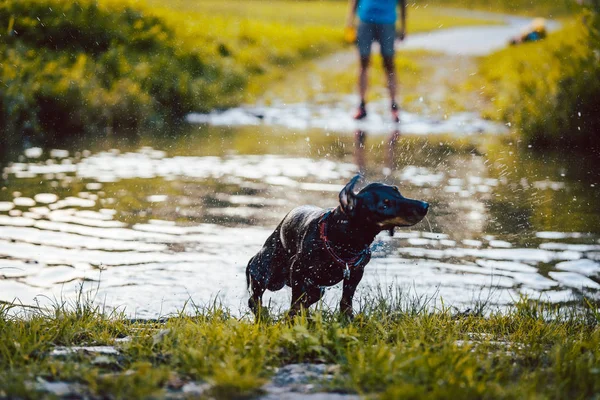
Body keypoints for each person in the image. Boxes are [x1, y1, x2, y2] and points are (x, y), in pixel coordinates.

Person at [346, 0, 407, 122]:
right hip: (366, 19)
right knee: (363, 63)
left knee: (389, 64)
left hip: (387, 21)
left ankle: (394, 106)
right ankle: (361, 105)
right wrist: (350, 22)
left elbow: (402, 2)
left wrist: (404, 26)